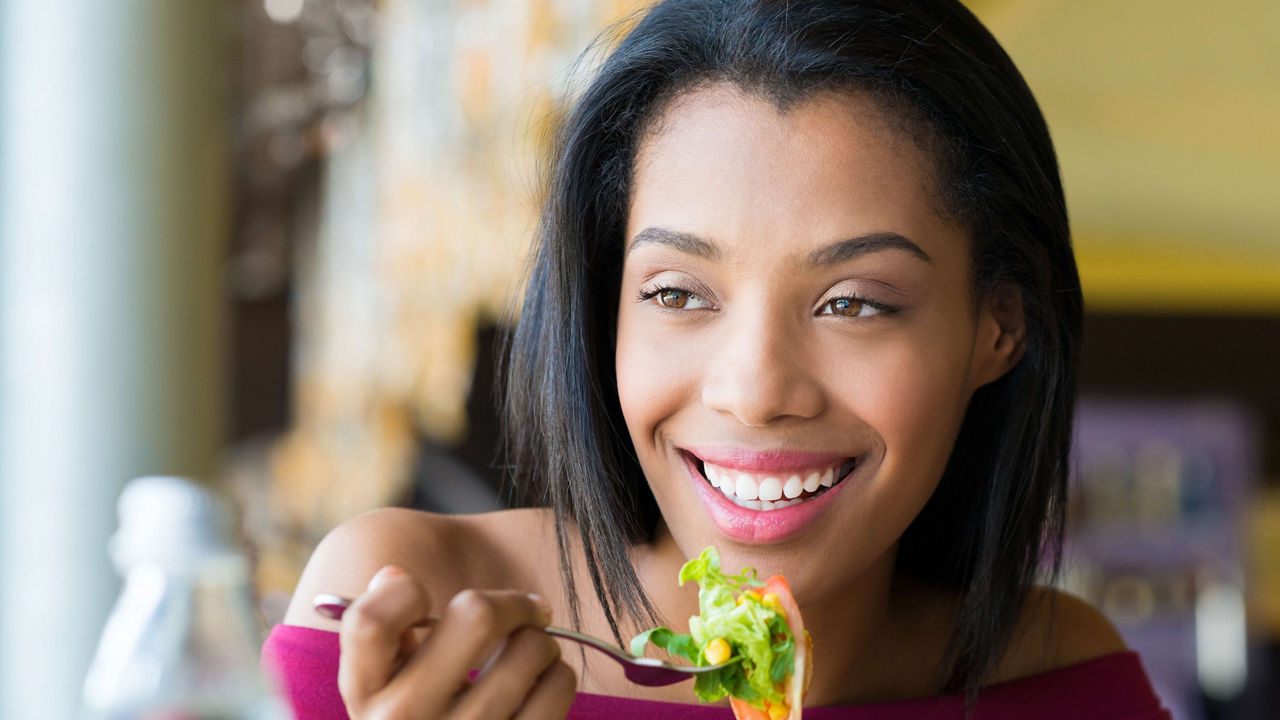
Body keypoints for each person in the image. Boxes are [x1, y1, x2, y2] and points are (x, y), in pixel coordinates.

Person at [262, 1, 1172, 718]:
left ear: (998, 329)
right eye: (677, 293)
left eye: (853, 302)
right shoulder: (403, 622)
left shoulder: (1064, 681)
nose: (753, 389)